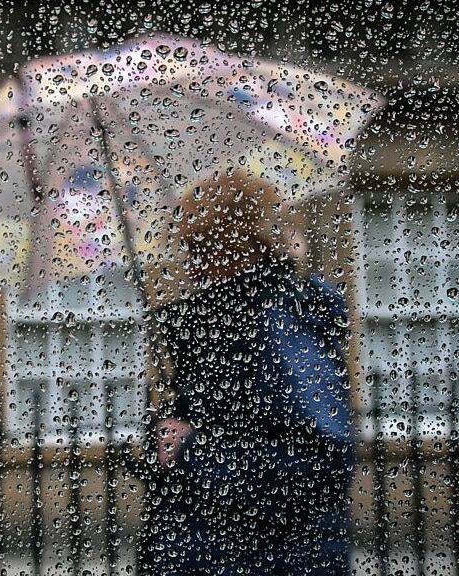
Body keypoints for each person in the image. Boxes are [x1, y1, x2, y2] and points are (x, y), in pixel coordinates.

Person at [145, 170, 354, 576]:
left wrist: (191, 450)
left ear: (241, 245)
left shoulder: (284, 322)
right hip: (208, 550)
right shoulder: (213, 324)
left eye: (201, 247)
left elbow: (320, 455)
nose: (193, 265)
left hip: (273, 559)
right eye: (189, 249)